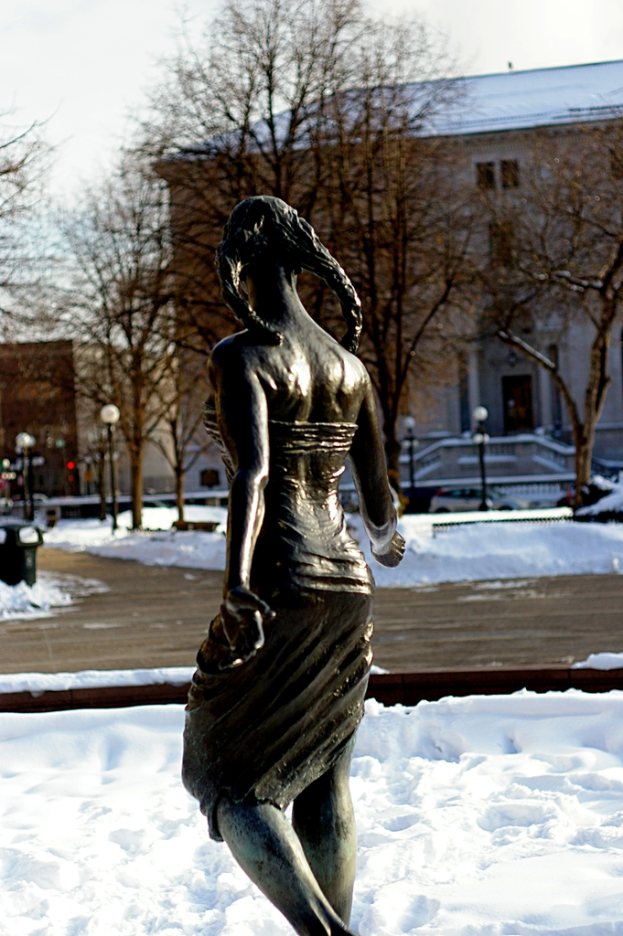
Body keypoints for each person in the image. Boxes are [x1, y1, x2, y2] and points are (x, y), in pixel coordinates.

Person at [182, 196, 405, 936]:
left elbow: (251, 477)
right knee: (325, 776)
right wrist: (386, 539)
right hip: (347, 581)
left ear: (243, 262)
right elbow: (378, 501)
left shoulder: (242, 355)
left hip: (280, 573)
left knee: (228, 780)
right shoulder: (348, 365)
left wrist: (235, 585)